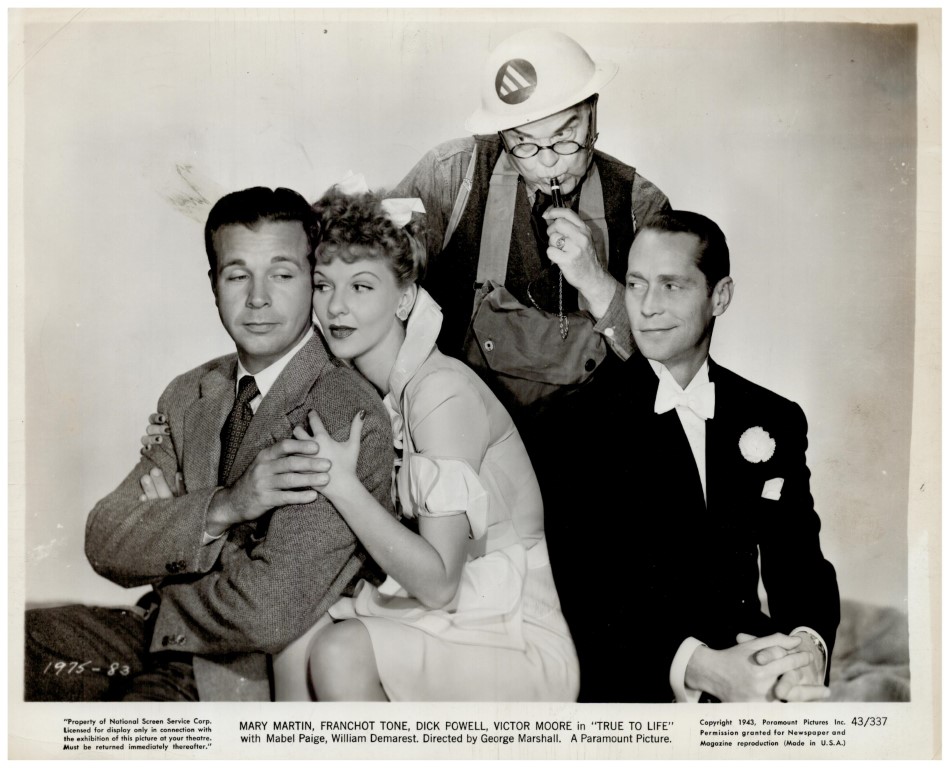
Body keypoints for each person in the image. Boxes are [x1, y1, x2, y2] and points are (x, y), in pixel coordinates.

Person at [24, 187, 394, 702]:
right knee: (20, 641)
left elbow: (266, 614)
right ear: (214, 285)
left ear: (313, 281)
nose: (258, 298)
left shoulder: (339, 413)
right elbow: (104, 537)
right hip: (154, 634)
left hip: (239, 674)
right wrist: (225, 507)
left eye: (282, 275)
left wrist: (164, 555)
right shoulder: (190, 392)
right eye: (238, 275)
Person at [274, 187, 579, 701]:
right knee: (292, 633)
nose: (336, 306)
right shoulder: (379, 392)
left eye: (361, 286)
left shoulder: (440, 390)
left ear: (405, 298)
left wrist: (341, 484)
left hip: (512, 633)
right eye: (323, 285)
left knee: (339, 651)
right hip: (455, 616)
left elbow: (439, 583)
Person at [537, 210, 840, 702]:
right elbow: (587, 595)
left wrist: (808, 649)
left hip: (752, 675)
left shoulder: (774, 417)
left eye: (671, 286)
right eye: (635, 285)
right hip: (634, 689)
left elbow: (799, 564)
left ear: (720, 296)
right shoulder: (571, 424)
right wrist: (703, 670)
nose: (647, 307)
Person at [390, 28, 670, 430]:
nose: (548, 162)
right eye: (524, 145)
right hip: (463, 433)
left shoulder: (639, 205)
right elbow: (369, 291)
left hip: (598, 443)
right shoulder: (450, 176)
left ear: (592, 112)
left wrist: (596, 281)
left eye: (565, 137)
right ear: (502, 136)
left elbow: (669, 361)